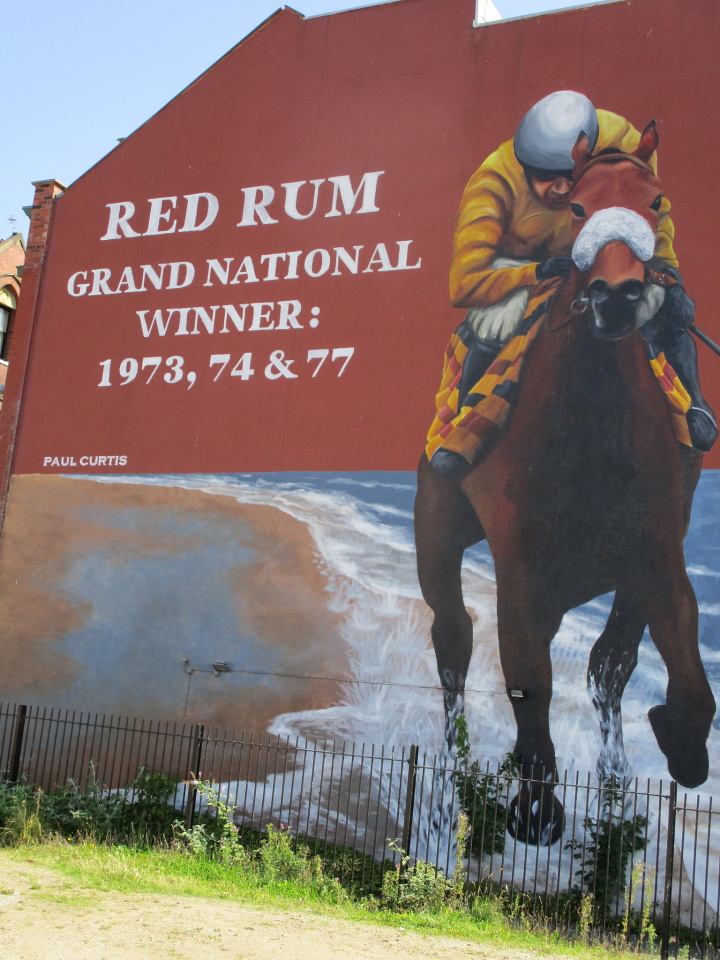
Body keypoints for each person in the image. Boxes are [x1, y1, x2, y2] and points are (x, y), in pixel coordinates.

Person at [430, 91, 717, 479]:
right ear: (523, 167)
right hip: (527, 269)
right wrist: (535, 272)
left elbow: (653, 207)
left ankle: (694, 403)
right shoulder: (491, 184)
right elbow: (464, 284)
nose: (562, 190)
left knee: (661, 303)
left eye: (569, 176)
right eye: (546, 178)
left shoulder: (624, 142)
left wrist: (668, 271)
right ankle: (465, 430)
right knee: (496, 320)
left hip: (603, 256)